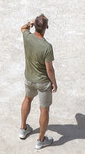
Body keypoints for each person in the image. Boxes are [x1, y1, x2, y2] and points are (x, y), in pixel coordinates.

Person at [19, 15, 57, 147]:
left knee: (27, 99)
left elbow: (22, 28)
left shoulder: (27, 37)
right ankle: (40, 140)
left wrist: (29, 23)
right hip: (42, 82)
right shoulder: (47, 47)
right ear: (46, 27)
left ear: (35, 25)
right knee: (44, 109)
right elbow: (49, 69)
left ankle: (23, 129)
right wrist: (54, 83)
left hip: (29, 78)